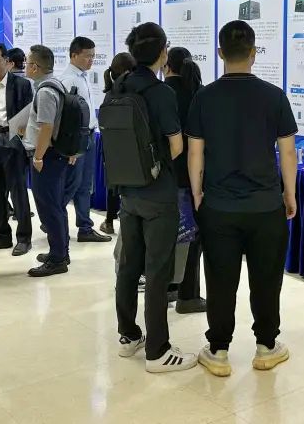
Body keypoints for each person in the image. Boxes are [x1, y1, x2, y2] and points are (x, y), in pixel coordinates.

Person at [186, 20, 298, 377]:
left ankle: (218, 350)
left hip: (219, 206)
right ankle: (266, 346)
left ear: (220, 53)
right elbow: (288, 151)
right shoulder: (273, 95)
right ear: (253, 52)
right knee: (267, 280)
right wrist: (289, 193)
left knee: (220, 281)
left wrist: (197, 193)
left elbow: (195, 152)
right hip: (266, 206)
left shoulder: (204, 97)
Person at [112, 23, 197, 373]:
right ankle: (158, 350)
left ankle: (128, 335)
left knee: (128, 266)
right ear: (163, 52)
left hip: (127, 190)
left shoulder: (119, 85)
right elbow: (175, 145)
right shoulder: (161, 92)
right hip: (158, 192)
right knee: (158, 271)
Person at [19, 45, 72, 277]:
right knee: (55, 205)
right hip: (52, 155)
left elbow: (46, 127)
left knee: (49, 208)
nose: (25, 66)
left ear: (35, 66)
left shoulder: (45, 92)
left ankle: (58, 259)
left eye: (27, 62)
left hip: (47, 157)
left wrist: (38, 156)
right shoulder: (54, 85)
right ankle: (59, 251)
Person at [0, 43, 35, 256]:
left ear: (7, 62)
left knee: (18, 190)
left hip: (12, 139)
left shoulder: (21, 84)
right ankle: (1, 235)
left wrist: (18, 141)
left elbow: (27, 115)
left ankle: (24, 238)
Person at [163, 46, 207, 314]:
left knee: (165, 237)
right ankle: (188, 295)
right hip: (192, 178)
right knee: (190, 238)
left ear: (166, 65)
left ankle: (170, 288)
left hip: (163, 177)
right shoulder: (199, 94)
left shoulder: (161, 94)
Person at [59, 36, 110, 243]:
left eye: (93, 56)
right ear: (74, 55)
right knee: (73, 183)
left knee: (85, 185)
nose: (91, 60)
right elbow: (66, 116)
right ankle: (53, 217)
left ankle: (85, 227)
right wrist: (71, 147)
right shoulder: (68, 80)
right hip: (77, 139)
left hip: (89, 135)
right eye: (87, 56)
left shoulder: (83, 76)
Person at [99, 52, 136, 236]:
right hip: (133, 147)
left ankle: (109, 221)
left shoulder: (109, 95)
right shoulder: (135, 94)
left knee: (112, 186)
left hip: (112, 147)